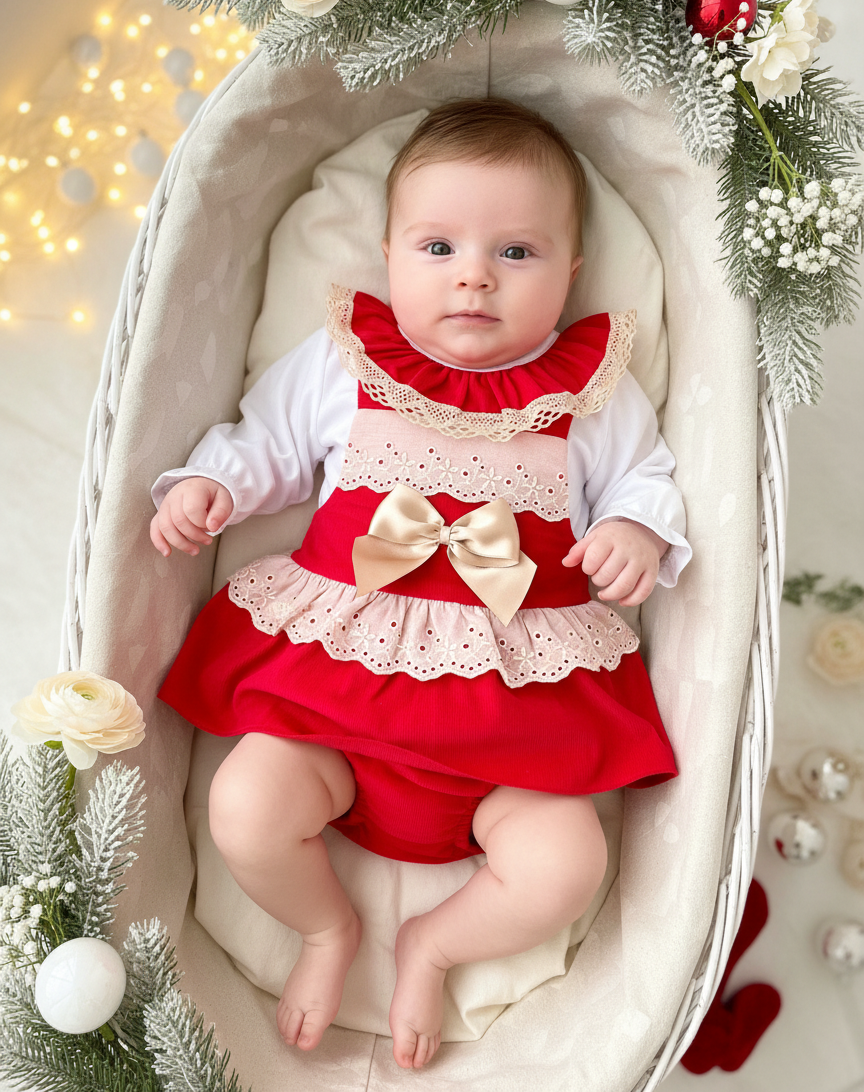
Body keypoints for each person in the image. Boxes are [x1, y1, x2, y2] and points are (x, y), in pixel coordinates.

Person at [150, 98, 691, 1071]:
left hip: (512, 732)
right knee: (243, 806)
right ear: (389, 252)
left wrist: (633, 528)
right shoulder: (348, 362)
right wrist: (209, 486)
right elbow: (266, 443)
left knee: (569, 863)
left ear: (571, 273)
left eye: (516, 252)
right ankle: (326, 928)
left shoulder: (592, 391)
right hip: (335, 701)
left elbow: (647, 478)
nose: (474, 273)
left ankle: (435, 942)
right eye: (438, 245)